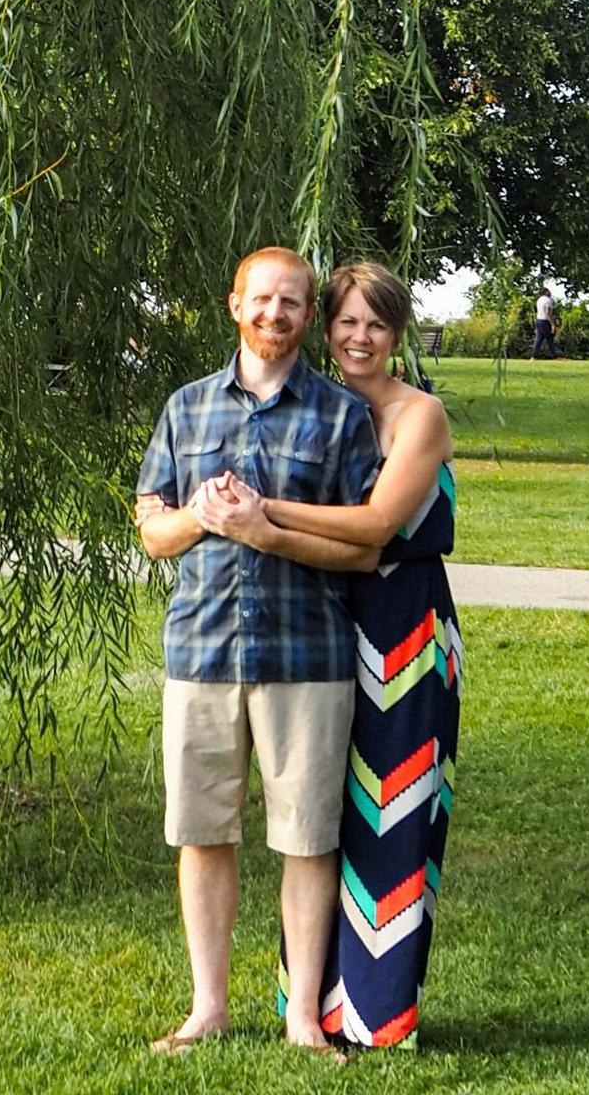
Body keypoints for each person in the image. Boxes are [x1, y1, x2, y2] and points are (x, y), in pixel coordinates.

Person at [191, 261, 462, 1050]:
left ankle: (379, 1017)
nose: (358, 337)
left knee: (395, 813)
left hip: (406, 637)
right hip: (326, 619)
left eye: (375, 324)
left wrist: (259, 515)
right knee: (321, 819)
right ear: (325, 325)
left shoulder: (421, 415)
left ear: (396, 333)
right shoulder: (326, 411)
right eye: (346, 321)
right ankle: (312, 1004)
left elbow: (377, 525)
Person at [135, 247, 382, 1056]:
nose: (275, 314)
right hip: (202, 652)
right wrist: (202, 519)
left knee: (306, 838)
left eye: (292, 303)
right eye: (262, 299)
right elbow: (152, 534)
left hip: (306, 658)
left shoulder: (342, 419)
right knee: (203, 833)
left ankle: (302, 1017)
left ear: (310, 316)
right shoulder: (187, 408)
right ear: (234, 305)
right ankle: (208, 1007)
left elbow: (361, 552)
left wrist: (264, 531)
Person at [532, 286, 558, 359]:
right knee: (550, 338)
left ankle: (534, 356)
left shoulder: (539, 300)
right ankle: (554, 356)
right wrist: (552, 324)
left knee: (539, 338)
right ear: (546, 292)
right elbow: (547, 313)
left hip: (538, 320)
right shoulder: (547, 300)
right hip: (545, 321)